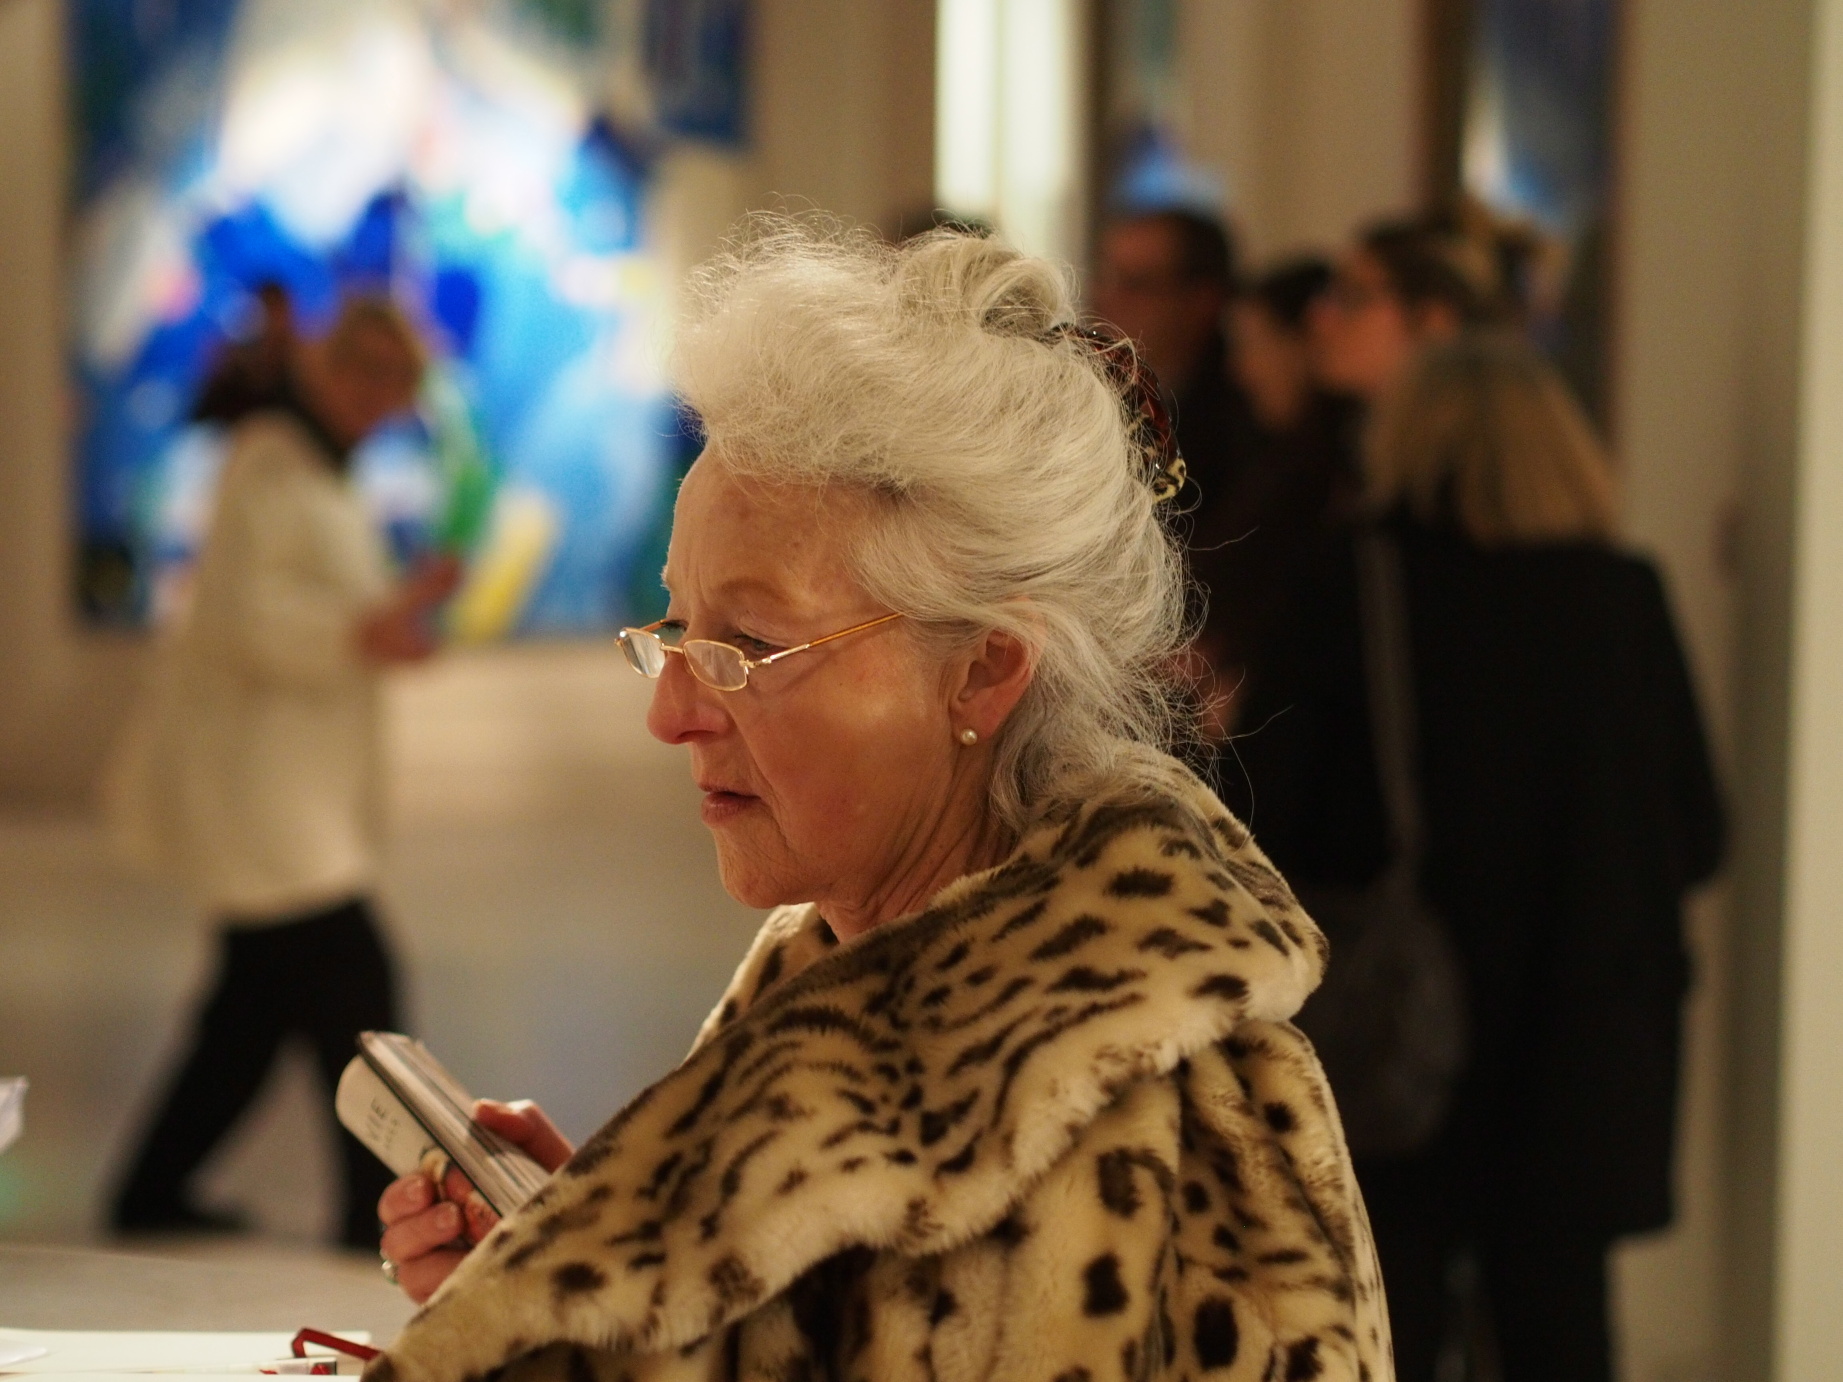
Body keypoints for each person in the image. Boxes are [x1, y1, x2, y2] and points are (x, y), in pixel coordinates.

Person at [365, 221, 1391, 1382]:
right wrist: (577, 1290)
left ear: (983, 669)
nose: (674, 712)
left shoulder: (1149, 1106)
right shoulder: (832, 970)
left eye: (751, 643)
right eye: (678, 627)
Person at [1235, 334, 1723, 1382]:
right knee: (1561, 1328)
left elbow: (1264, 815)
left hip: (1396, 1039)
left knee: (1389, 1322)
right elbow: (1698, 832)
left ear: (1404, 441)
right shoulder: (1621, 599)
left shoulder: (1353, 586)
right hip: (1583, 1045)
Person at [106, 296, 461, 1248]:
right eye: (371, 375)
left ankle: (150, 1189)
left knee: (248, 1016)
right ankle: (372, 1208)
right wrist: (365, 630)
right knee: (356, 985)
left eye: (398, 383)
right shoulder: (269, 460)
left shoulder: (316, 467)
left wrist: (387, 623)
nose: (382, 398)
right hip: (262, 790)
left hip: (290, 785)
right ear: (330, 367)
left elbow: (318, 612)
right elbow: (244, 619)